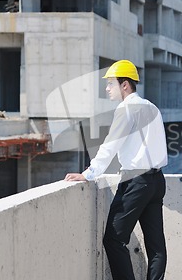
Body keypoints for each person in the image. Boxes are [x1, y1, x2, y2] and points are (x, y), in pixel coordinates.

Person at [64, 60, 168, 280]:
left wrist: (88, 174)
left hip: (136, 181)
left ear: (125, 85)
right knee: (156, 245)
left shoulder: (127, 108)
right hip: (157, 181)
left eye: (111, 83)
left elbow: (111, 145)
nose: (107, 88)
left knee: (113, 239)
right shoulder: (152, 107)